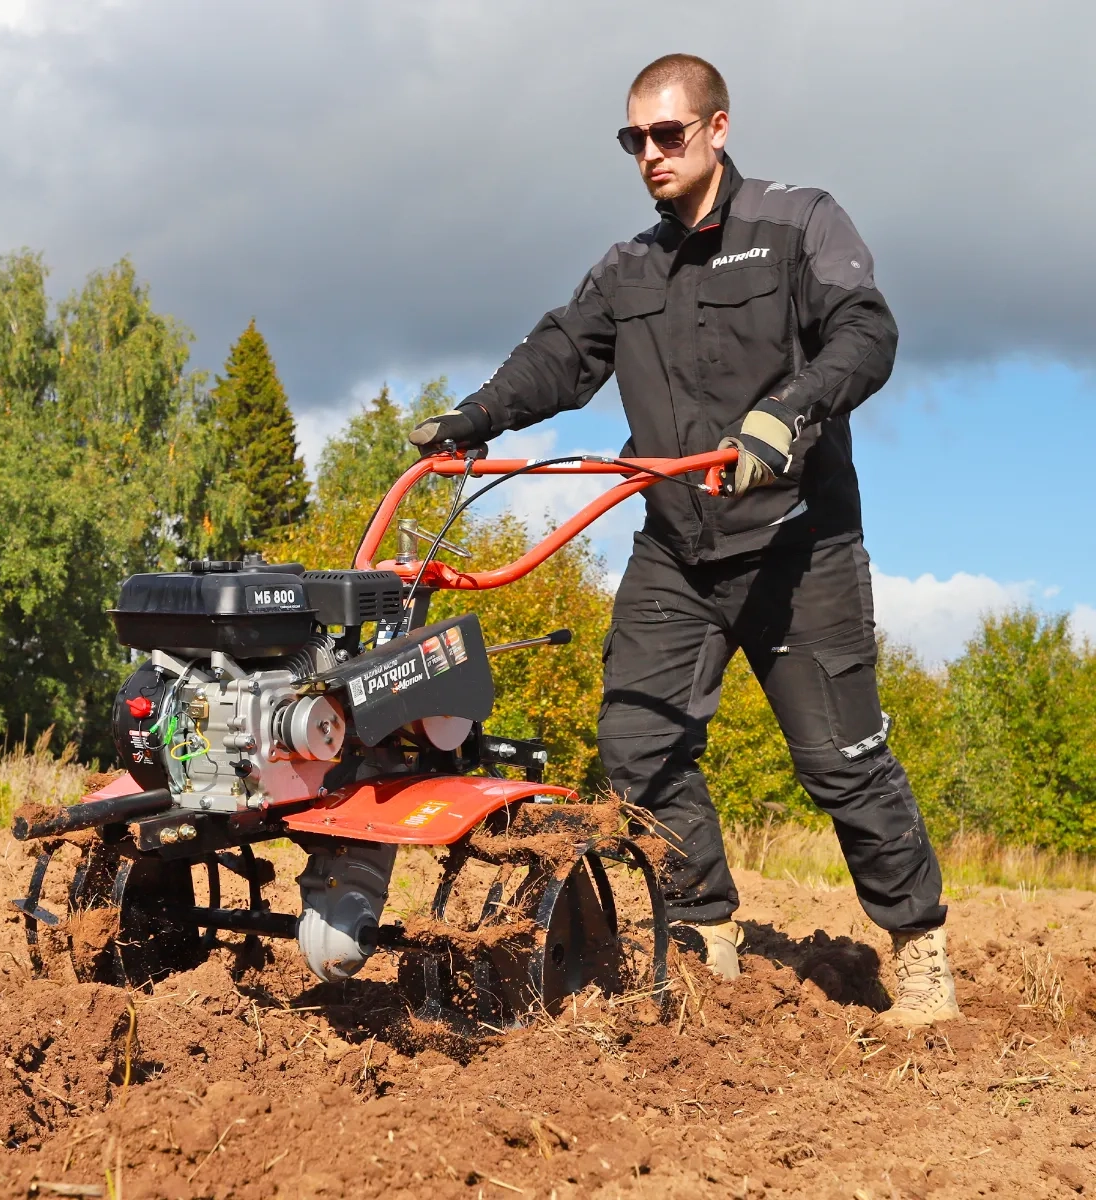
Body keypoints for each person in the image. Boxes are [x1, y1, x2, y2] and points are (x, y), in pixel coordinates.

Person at [409, 54, 957, 1027]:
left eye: (667, 134)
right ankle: (705, 925)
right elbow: (562, 354)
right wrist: (473, 417)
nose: (650, 154)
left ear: (716, 128)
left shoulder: (799, 225)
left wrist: (788, 412)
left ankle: (918, 947)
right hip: (678, 543)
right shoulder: (628, 268)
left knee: (840, 758)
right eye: (635, 139)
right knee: (636, 742)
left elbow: (863, 333)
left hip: (799, 540)